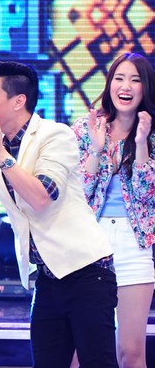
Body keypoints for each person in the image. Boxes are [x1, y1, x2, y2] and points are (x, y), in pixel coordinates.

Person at [0, 60, 118, 367]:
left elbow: (42, 196)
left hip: (87, 272)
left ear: (18, 101)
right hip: (46, 278)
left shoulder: (55, 135)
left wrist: (2, 156)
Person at [71, 53, 155, 368]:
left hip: (134, 244)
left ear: (146, 87)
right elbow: (79, 194)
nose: (126, 86)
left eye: (135, 80)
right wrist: (96, 149)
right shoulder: (86, 127)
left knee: (131, 352)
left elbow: (147, 196)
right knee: (79, 349)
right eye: (119, 78)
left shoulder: (152, 133)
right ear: (109, 84)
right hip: (89, 241)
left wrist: (142, 143)